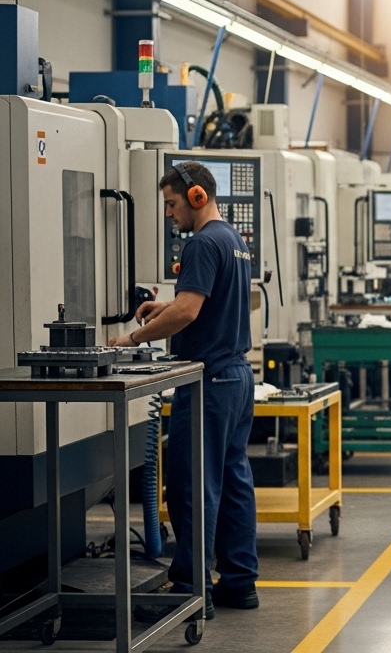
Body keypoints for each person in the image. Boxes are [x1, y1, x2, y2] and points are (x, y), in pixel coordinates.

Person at [109, 161, 258, 619]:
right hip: (237, 378)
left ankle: (193, 589)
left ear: (196, 198)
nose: (170, 214)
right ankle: (239, 581)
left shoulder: (200, 243)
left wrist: (131, 338)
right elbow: (198, 302)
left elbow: (191, 312)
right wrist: (166, 306)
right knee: (233, 481)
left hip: (209, 379)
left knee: (193, 485)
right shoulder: (233, 241)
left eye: (172, 204)